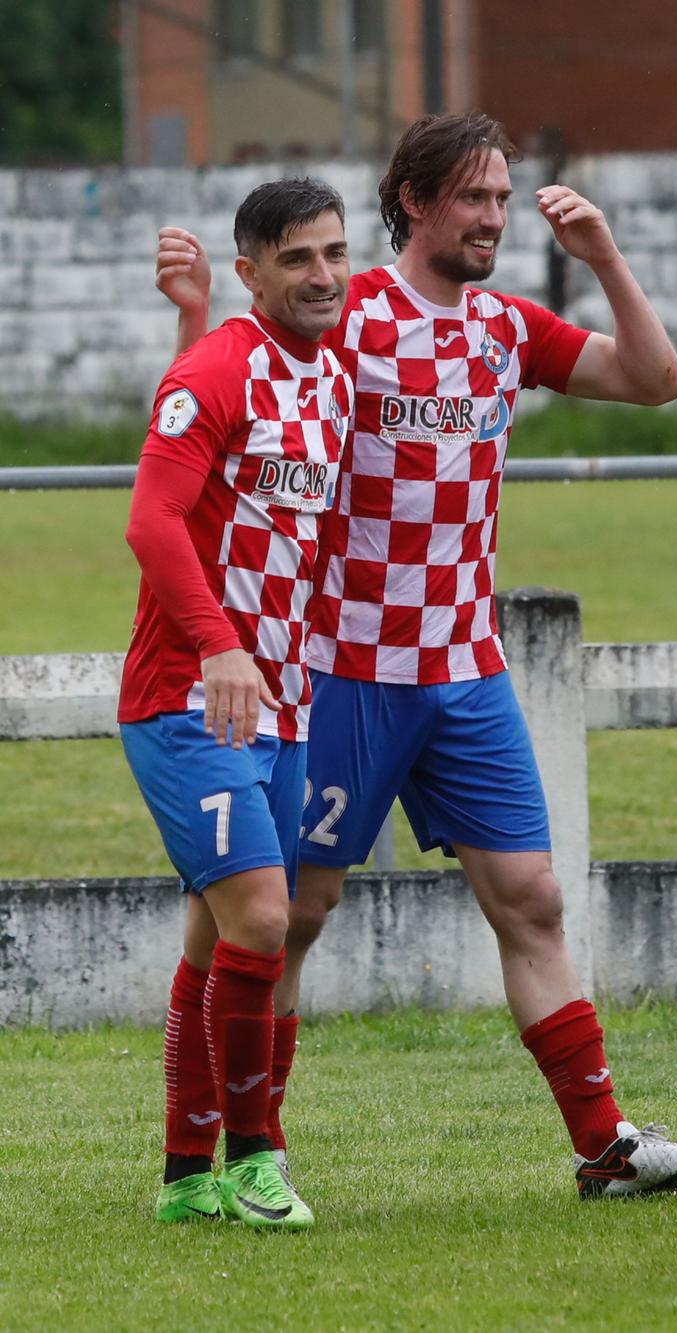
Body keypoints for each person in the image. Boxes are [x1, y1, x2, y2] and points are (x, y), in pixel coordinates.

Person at [152, 112, 677, 1195]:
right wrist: (191, 311)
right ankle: (242, 1154)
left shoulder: (507, 327)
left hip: (465, 670)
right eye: (476, 198)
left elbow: (655, 381)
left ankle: (604, 1148)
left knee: (532, 898)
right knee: (289, 917)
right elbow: (225, 402)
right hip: (343, 670)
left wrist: (601, 258)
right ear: (414, 202)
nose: (495, 219)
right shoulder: (346, 310)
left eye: (504, 200)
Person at [126, 178, 353, 1229]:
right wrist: (219, 646)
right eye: (299, 258)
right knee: (265, 915)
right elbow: (153, 521)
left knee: (224, 938)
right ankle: (260, 1158)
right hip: (188, 698)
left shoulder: (333, 379)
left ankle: (185, 1176)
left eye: (334, 254)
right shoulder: (221, 364)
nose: (324, 276)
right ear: (251, 271)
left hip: (286, 704)